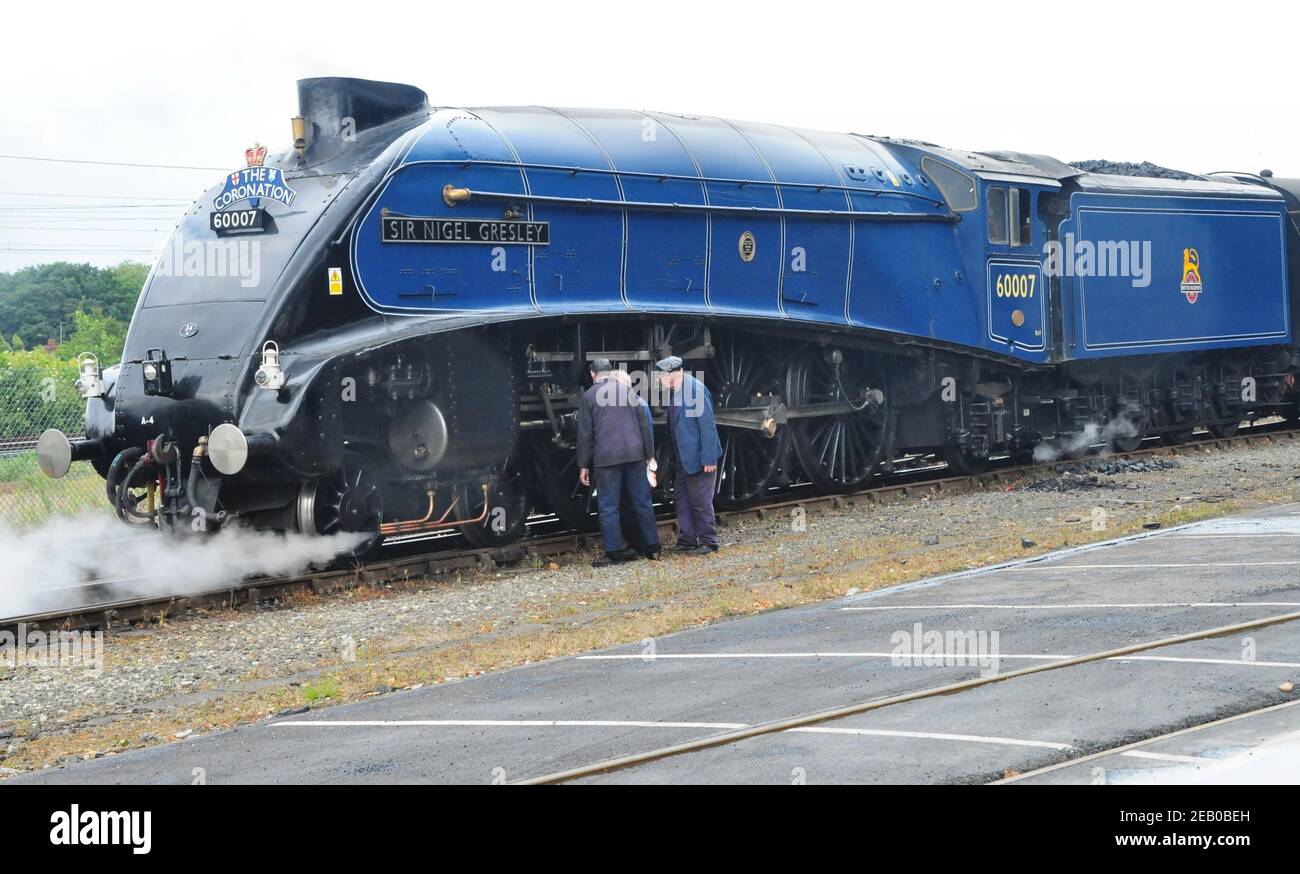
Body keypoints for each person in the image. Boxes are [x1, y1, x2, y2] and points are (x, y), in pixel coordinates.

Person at [576, 359, 661, 566]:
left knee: (608, 506)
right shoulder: (628, 392)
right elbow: (643, 426)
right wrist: (649, 455)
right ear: (610, 372)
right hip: (634, 455)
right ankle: (652, 547)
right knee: (642, 502)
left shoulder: (589, 396)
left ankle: (614, 552)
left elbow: (585, 434)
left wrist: (583, 464)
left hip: (607, 459)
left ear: (593, 374)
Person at [655, 356, 722, 554]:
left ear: (675, 374)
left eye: (661, 375)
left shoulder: (695, 390)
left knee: (700, 501)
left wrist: (709, 458)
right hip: (683, 458)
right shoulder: (676, 391)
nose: (659, 379)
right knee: (682, 499)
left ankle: (709, 542)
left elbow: (707, 426)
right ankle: (688, 540)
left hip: (699, 458)